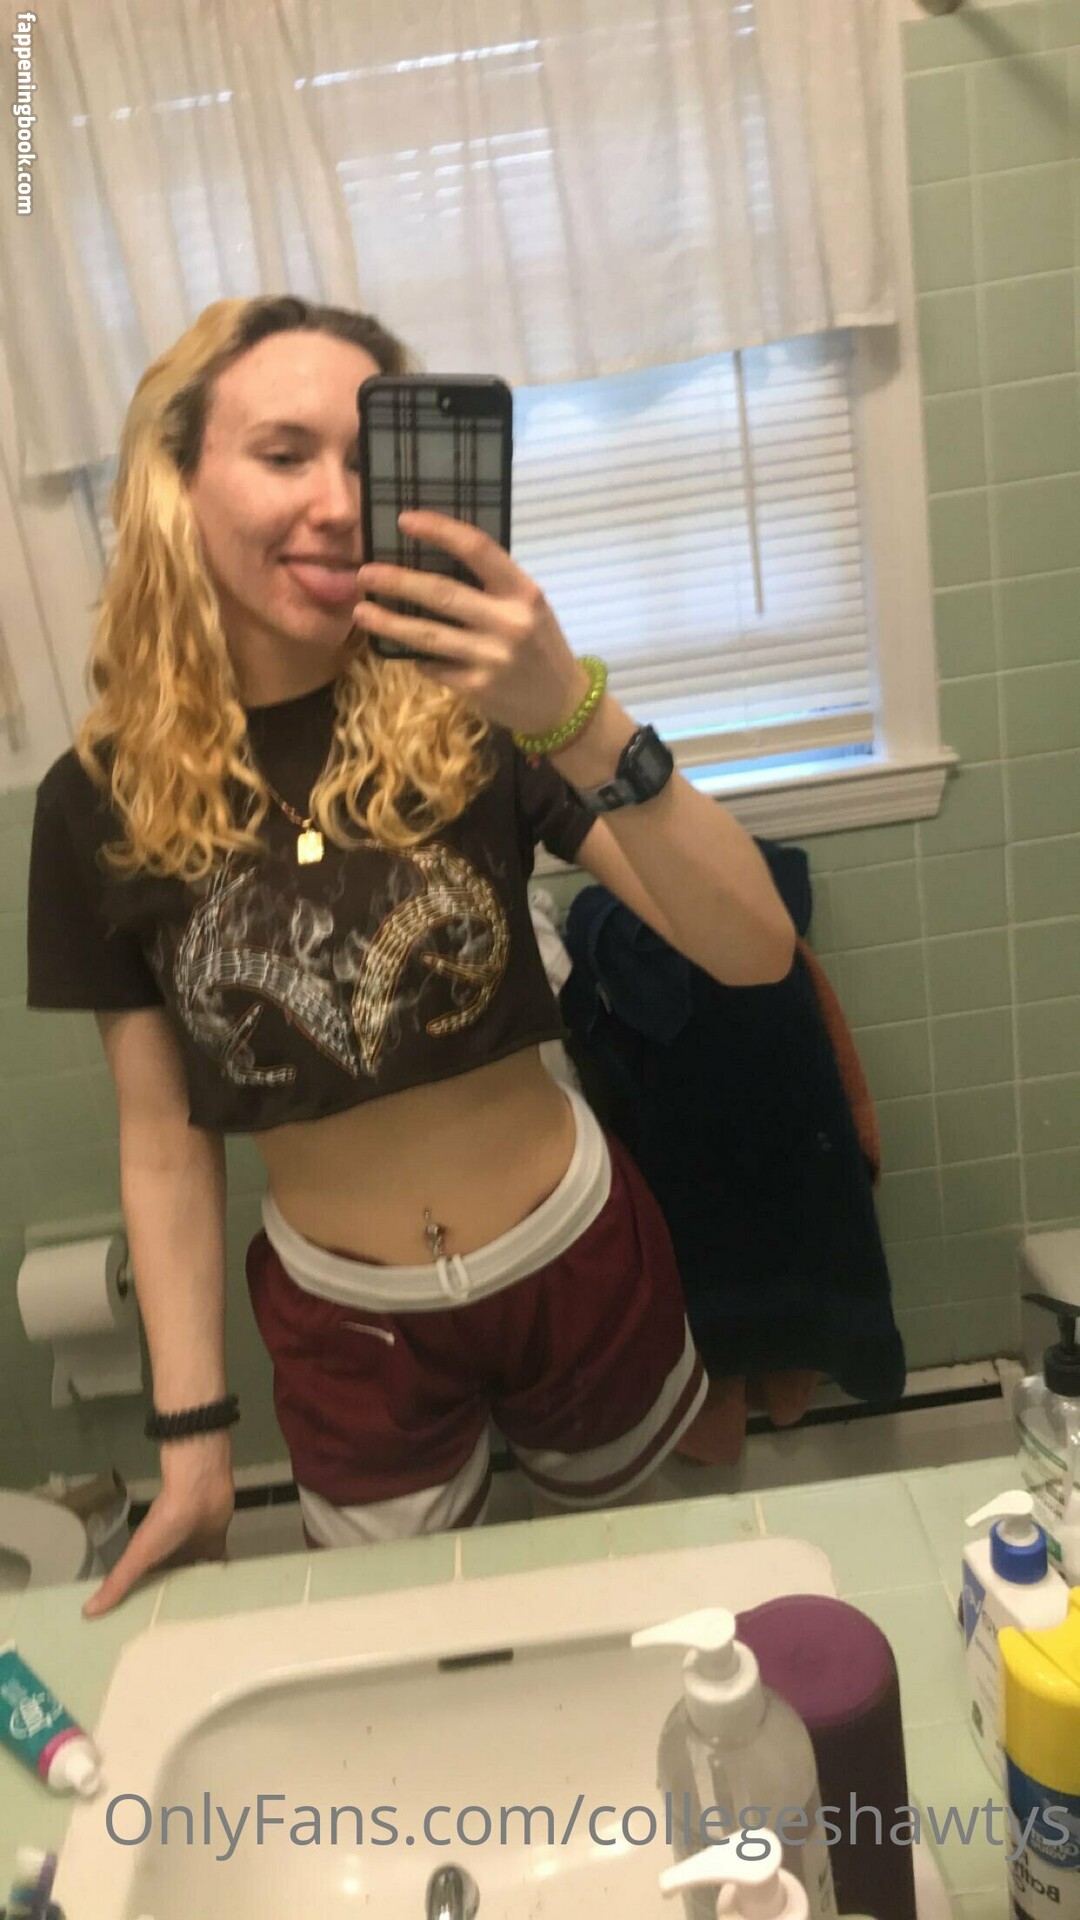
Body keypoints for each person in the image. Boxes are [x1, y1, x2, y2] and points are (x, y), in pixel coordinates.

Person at [25, 295, 795, 1618]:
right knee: (422, 1643)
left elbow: (754, 950)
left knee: (648, 1607)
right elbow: (160, 1140)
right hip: (346, 1328)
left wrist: (576, 715)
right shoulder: (97, 801)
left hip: (576, 1260)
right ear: (177, 482)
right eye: (283, 454)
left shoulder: (472, 706)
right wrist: (194, 1443)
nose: (336, 505)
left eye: (367, 461)